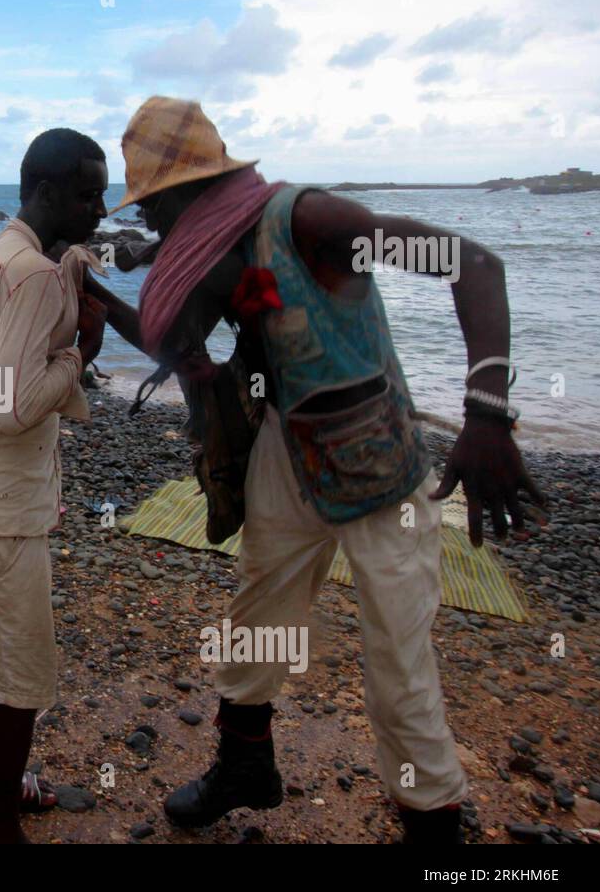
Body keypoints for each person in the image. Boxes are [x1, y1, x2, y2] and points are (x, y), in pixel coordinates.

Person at [85, 97, 547, 844]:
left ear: (188, 195)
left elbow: (473, 264)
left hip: (381, 468)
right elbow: (177, 345)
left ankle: (436, 836)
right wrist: (102, 295)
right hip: (284, 451)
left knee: (398, 661)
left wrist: (487, 414)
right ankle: (245, 767)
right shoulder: (212, 259)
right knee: (257, 619)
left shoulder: (312, 222)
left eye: (157, 210)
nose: (156, 229)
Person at [0, 128, 108, 843]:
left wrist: (79, 270)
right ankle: (2, 824)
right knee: (18, 675)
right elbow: (14, 404)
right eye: (90, 194)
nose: (101, 207)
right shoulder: (34, 273)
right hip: (1, 504)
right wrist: (80, 354)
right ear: (47, 192)